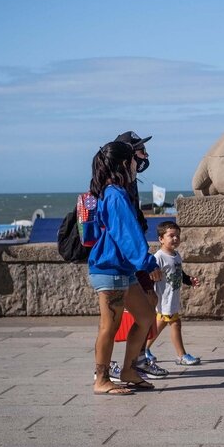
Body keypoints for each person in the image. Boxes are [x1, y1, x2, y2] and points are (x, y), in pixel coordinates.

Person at [87, 141, 162, 395]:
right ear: (123, 163)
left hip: (121, 270)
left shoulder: (111, 191)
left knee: (145, 316)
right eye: (132, 160)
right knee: (109, 325)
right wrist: (148, 262)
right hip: (110, 270)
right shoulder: (115, 194)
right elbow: (127, 234)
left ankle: (129, 370)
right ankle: (102, 379)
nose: (136, 165)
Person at [111, 131, 169, 380]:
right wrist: (144, 261)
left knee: (149, 301)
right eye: (141, 151)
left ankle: (138, 359)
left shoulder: (129, 181)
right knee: (112, 318)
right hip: (124, 259)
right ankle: (109, 367)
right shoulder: (117, 185)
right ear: (128, 155)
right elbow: (124, 229)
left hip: (132, 257)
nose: (145, 156)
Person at [144, 221, 202, 366]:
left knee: (160, 325)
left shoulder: (176, 255)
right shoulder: (159, 257)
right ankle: (181, 355)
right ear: (161, 239)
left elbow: (178, 273)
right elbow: (150, 275)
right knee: (175, 323)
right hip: (164, 299)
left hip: (172, 297)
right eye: (171, 236)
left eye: (177, 236)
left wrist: (189, 280)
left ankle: (143, 349)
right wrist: (149, 294)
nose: (175, 238)